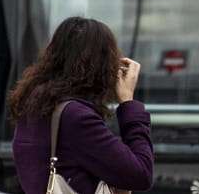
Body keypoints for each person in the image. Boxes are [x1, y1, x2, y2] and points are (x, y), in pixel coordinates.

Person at [9, 17, 153, 194]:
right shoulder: (76, 118)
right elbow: (141, 174)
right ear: (102, 65)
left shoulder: (34, 105)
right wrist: (128, 103)